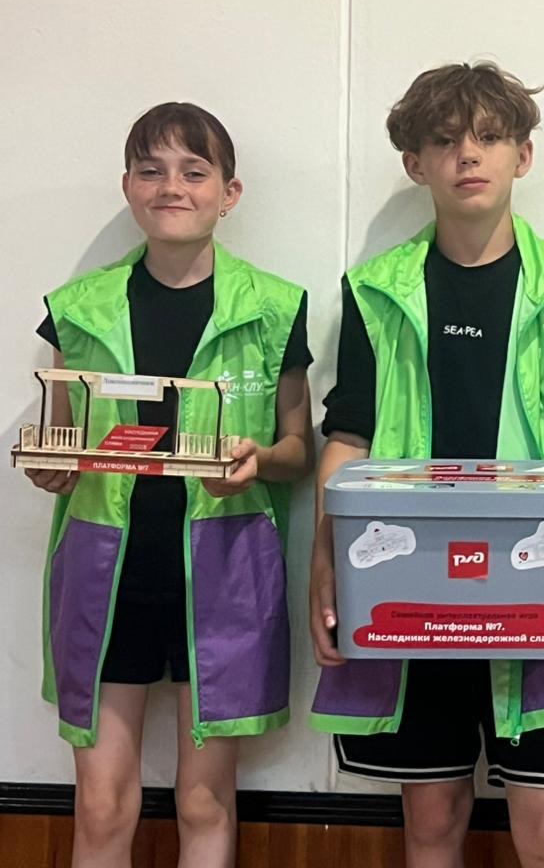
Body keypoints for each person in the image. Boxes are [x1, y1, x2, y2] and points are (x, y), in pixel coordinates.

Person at [307, 62, 544, 868]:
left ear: (523, 154)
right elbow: (348, 432)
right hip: (407, 578)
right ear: (415, 163)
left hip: (541, 579)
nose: (468, 155)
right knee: (432, 817)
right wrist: (325, 559)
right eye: (445, 140)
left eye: (489, 136)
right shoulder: (374, 290)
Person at [28, 101, 314, 868]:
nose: (172, 188)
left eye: (194, 171)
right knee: (100, 804)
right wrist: (53, 469)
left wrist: (260, 459)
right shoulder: (77, 309)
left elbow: (299, 449)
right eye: (151, 171)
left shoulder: (275, 308)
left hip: (224, 570)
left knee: (203, 800)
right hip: (105, 570)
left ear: (229, 191)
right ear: (128, 185)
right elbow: (62, 441)